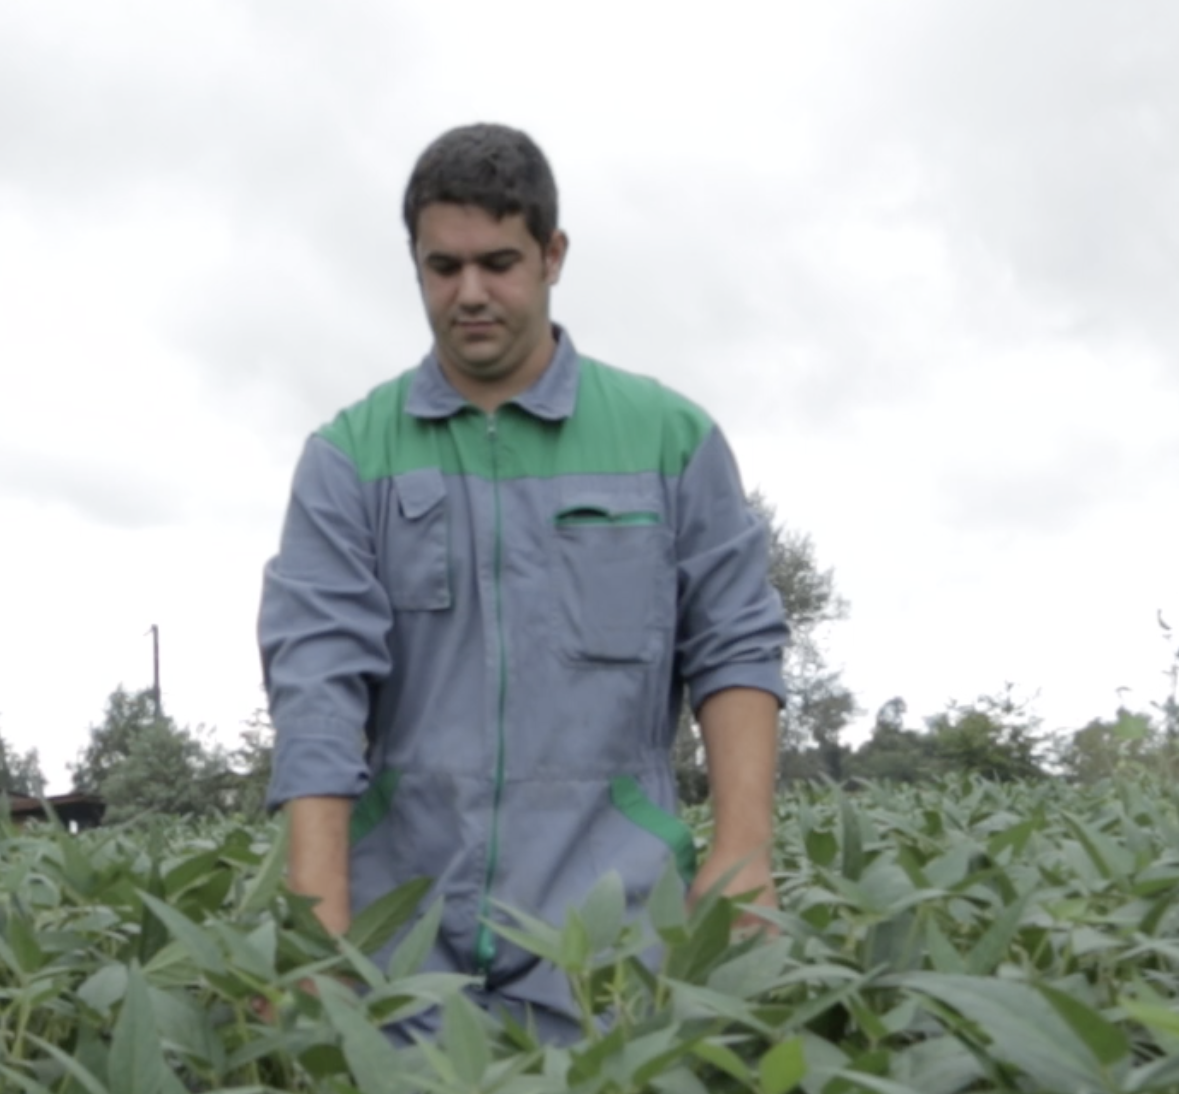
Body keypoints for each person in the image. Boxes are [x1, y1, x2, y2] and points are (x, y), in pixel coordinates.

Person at [256, 124, 789, 1041]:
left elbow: (735, 644)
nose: (469, 293)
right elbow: (317, 683)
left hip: (615, 935)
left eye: (499, 262)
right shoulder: (348, 457)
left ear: (553, 255)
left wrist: (744, 849)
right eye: (442, 266)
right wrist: (317, 921)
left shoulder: (669, 440)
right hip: (402, 942)